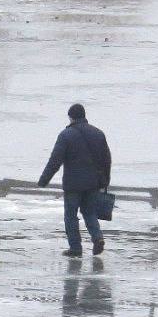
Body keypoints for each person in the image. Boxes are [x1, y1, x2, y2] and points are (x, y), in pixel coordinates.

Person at [37, 104, 112, 257]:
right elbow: (106, 160)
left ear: (71, 117)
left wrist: (44, 180)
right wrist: (105, 182)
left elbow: (55, 161)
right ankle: (98, 238)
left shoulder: (66, 135)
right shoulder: (98, 134)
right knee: (90, 212)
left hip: (73, 184)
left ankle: (76, 248)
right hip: (93, 183)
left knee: (71, 215)